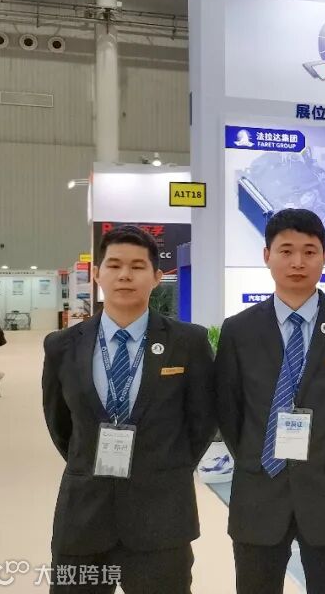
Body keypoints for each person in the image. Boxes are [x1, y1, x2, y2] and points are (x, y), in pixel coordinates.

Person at [40, 224, 216, 593]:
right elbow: (61, 426)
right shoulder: (62, 346)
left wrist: (164, 467)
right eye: (115, 265)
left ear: (156, 277)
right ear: (97, 273)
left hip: (161, 518)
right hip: (83, 518)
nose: (125, 275)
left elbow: (202, 422)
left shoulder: (188, 343)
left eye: (137, 266)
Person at [215, 208, 325, 594]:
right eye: (286, 251)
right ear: (266, 255)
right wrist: (260, 455)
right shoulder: (239, 330)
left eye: (309, 251)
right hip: (259, 491)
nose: (298, 262)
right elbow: (229, 411)